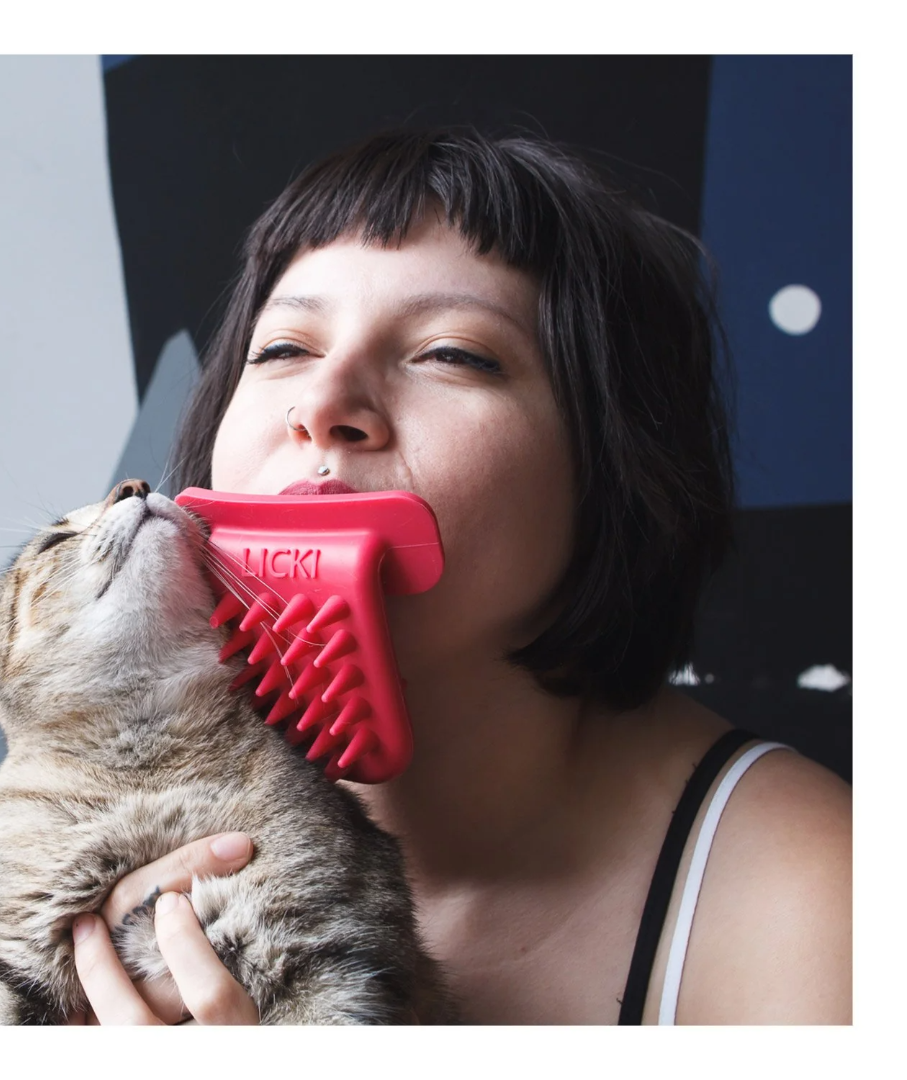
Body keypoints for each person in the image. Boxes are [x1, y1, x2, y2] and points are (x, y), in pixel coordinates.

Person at [68, 128, 851, 1025]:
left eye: (452, 354)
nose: (322, 406)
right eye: (282, 348)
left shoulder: (826, 905)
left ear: (615, 464)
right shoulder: (112, 830)